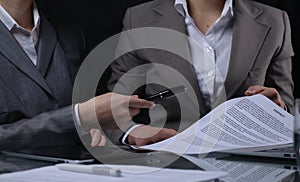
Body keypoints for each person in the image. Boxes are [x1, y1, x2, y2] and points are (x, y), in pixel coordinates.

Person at [107, 0, 294, 146]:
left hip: (248, 174)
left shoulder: (275, 21)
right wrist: (133, 133)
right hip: (169, 170)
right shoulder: (139, 19)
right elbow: (113, 109)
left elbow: (287, 107)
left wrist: (278, 112)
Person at [0, 0, 154, 150]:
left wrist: (129, 133)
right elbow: (80, 115)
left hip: (71, 168)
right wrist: (78, 117)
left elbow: (87, 117)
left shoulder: (67, 30)